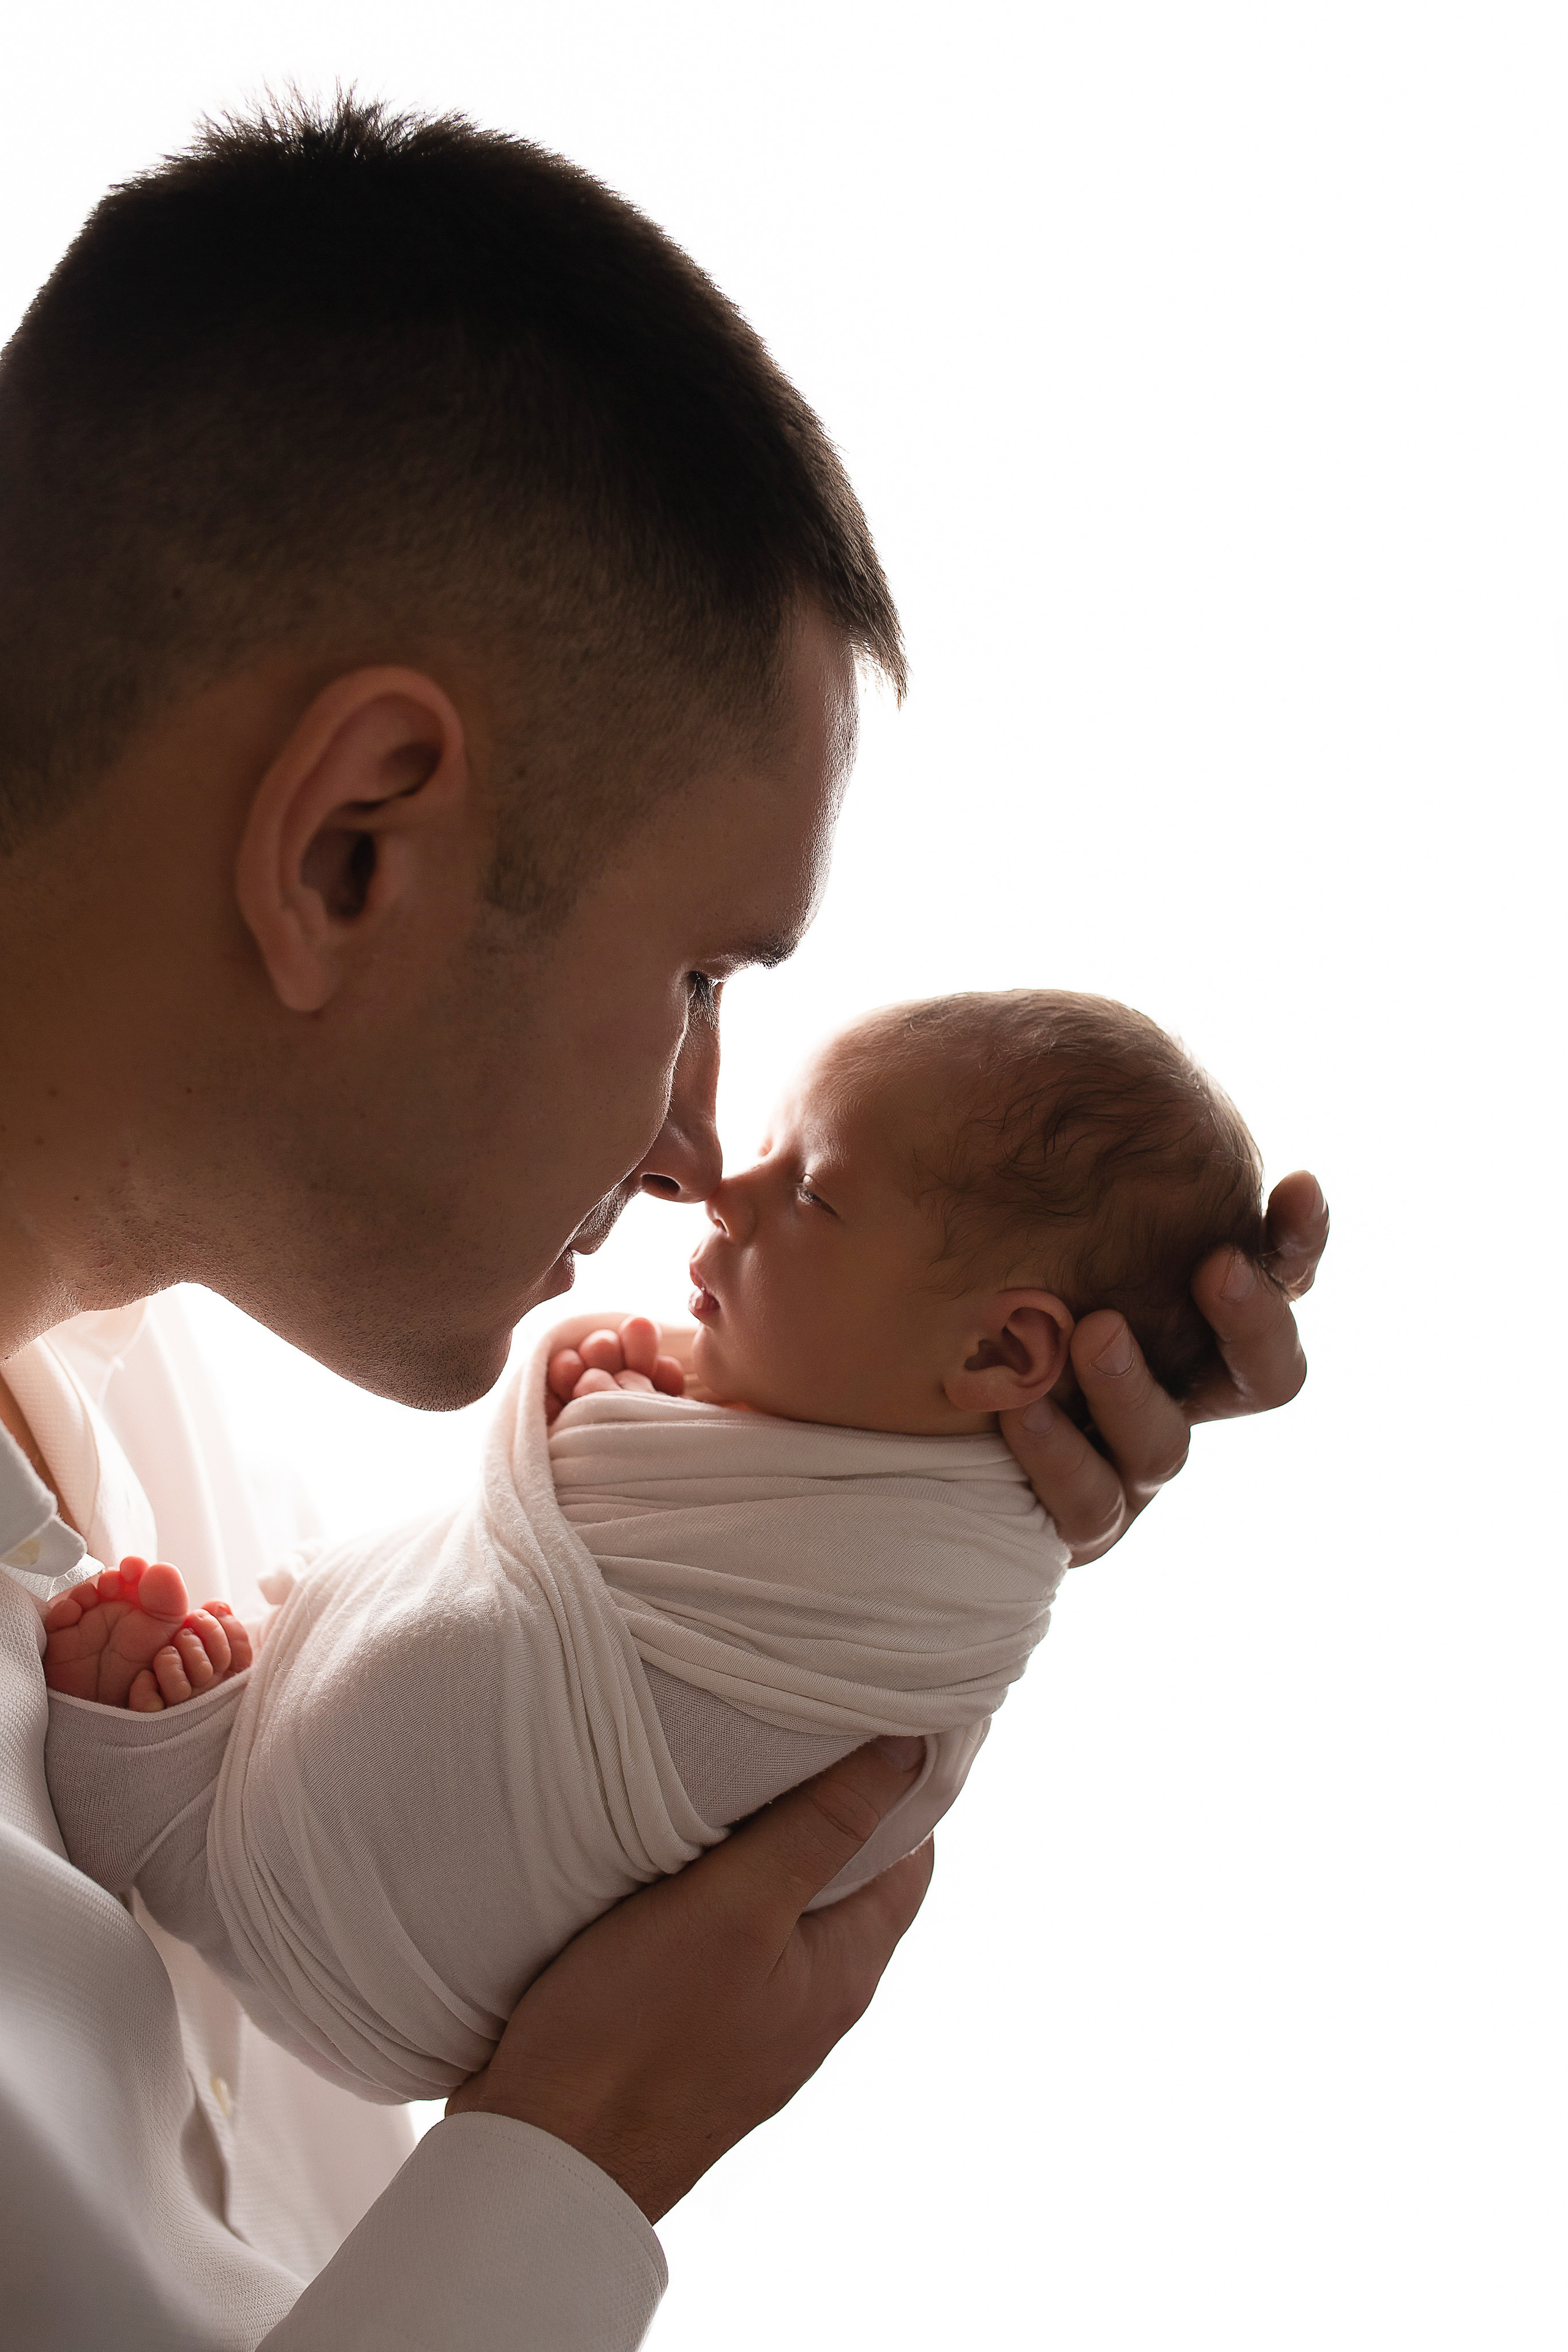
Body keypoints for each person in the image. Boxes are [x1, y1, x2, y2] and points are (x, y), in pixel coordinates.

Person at [0, 96, 1328, 2352]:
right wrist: (583, 2151)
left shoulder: (183, 1413)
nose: (701, 1154)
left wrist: (883, 1534)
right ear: (351, 848)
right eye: (702, 974)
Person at [38, 987, 1281, 2122]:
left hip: (389, 1968)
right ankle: (199, 1779)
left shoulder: (934, 1584)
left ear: (1005, 1356)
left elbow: (770, 1684)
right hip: (369, 1971)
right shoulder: (872, 1496)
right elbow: (630, 1531)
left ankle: (174, 1806)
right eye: (689, 978)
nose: (721, 1183)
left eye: (812, 1192)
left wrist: (608, 1424)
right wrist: (622, 1418)